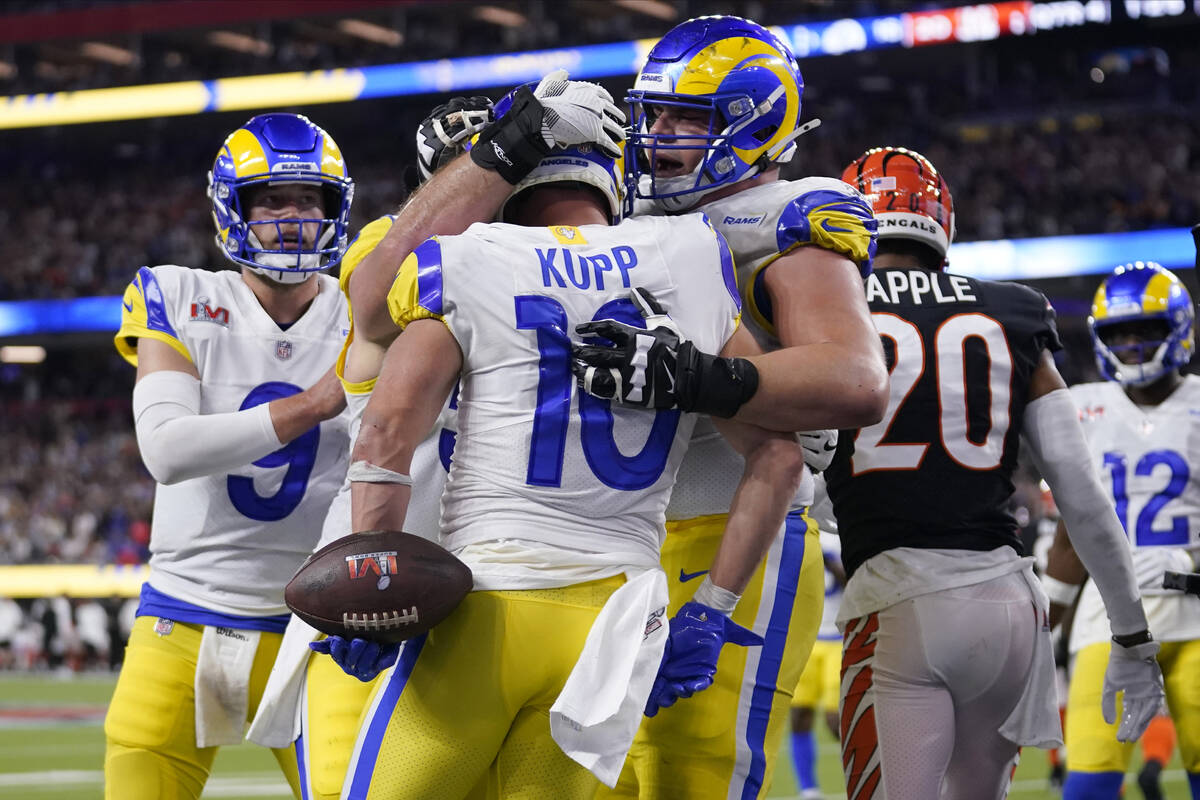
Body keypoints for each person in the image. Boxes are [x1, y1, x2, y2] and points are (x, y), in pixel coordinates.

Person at [326, 123, 810, 799]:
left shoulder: (468, 257)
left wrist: (367, 583)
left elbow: (383, 434)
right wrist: (711, 609)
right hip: (615, 625)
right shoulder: (686, 258)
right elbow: (782, 457)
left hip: (493, 607)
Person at [570, 15, 888, 798]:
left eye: (688, 116)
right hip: (618, 537)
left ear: (755, 122)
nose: (659, 135)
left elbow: (855, 378)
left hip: (737, 532)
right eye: (654, 113)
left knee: (694, 778)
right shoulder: (629, 218)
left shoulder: (786, 215)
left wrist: (697, 377)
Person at [810, 146, 1162, 799]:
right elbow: (1084, 501)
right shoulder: (1012, 311)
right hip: (1005, 610)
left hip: (896, 604)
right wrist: (1133, 635)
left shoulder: (822, 309)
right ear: (939, 220)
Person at [103, 112, 354, 800]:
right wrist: (315, 403)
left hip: (318, 626)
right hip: (182, 614)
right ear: (234, 208)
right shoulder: (177, 294)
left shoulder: (368, 309)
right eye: (272, 199)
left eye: (310, 200)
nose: (295, 217)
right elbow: (167, 449)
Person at [1041, 260, 1200, 800]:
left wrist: (1192, 559)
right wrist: (1042, 633)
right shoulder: (1081, 407)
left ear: (1178, 329)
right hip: (1106, 621)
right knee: (1087, 782)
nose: (1132, 346)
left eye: (1147, 331)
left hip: (1197, 614)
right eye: (1120, 334)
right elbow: (1071, 530)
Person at [789, 478, 844, 800]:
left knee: (837, 722)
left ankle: (863, 780)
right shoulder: (799, 528)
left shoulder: (841, 533)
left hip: (838, 637)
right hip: (807, 639)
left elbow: (853, 583)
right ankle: (808, 790)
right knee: (800, 715)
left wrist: (828, 562)